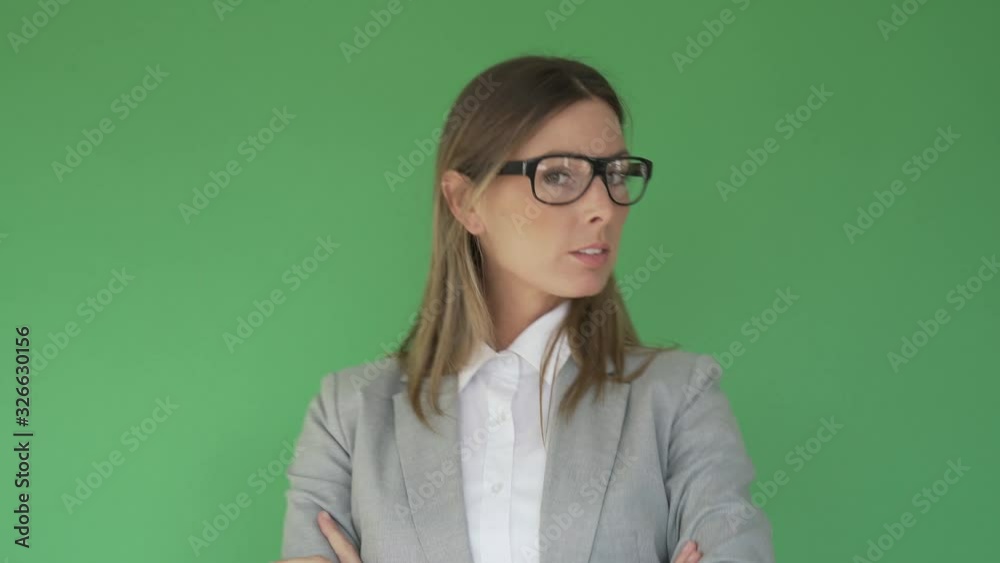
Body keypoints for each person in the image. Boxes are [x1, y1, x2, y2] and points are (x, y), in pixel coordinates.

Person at [277, 54, 775, 563]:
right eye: (558, 176)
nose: (604, 207)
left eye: (616, 174)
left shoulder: (680, 399)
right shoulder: (349, 416)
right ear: (465, 202)